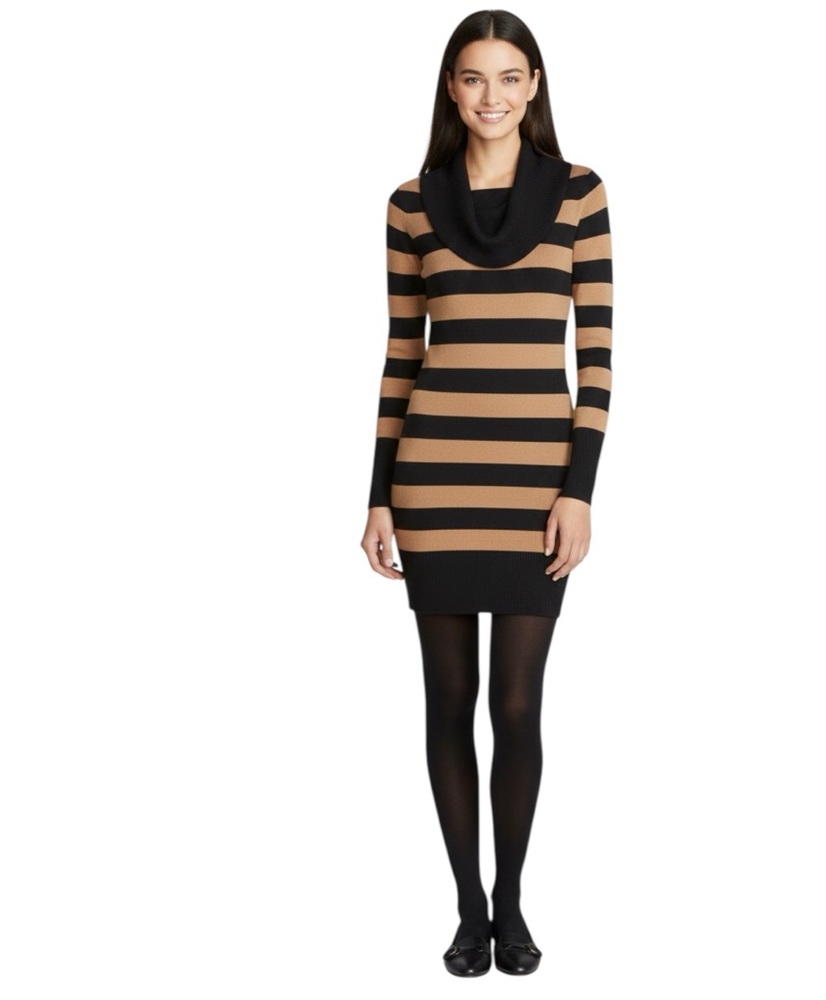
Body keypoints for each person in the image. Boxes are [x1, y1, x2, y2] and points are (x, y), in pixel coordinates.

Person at [360, 9, 612, 977]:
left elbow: (597, 359)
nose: (491, 96)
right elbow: (400, 356)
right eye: (473, 78)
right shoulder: (410, 203)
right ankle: (469, 908)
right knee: (448, 700)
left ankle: (512, 900)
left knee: (515, 706)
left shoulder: (580, 194)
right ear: (451, 88)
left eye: (509, 77)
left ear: (534, 85)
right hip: (433, 481)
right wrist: (378, 497)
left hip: (533, 486)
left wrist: (578, 491)